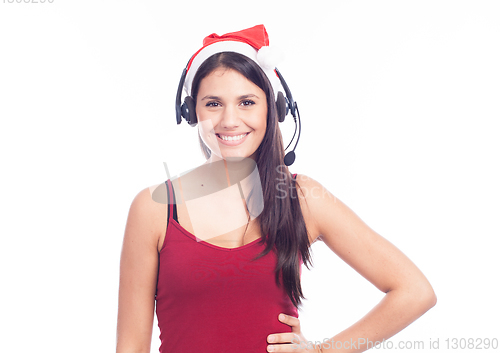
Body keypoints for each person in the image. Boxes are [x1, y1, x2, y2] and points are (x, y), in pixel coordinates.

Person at [116, 25, 436, 353]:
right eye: (213, 104)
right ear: (190, 112)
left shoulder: (303, 198)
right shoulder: (154, 208)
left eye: (247, 102)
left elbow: (414, 291)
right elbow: (130, 346)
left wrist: (323, 351)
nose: (229, 120)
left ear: (273, 108)